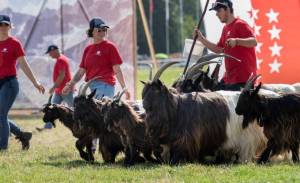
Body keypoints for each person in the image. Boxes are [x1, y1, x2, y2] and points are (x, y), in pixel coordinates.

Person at [62, 17, 130, 152]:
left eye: (104, 29)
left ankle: (102, 146)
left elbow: (117, 69)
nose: (102, 32)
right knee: (95, 118)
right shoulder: (88, 49)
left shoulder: (110, 47)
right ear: (92, 31)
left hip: (105, 86)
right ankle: (97, 145)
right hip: (92, 87)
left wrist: (124, 87)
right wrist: (71, 84)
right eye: (99, 29)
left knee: (101, 118)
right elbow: (82, 70)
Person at [0, 14, 45, 150]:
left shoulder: (14, 43)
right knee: (0, 116)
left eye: (6, 24)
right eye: (0, 24)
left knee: (1, 114)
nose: (3, 27)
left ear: (10, 26)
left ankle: (2, 148)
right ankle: (22, 135)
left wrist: (35, 82)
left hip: (9, 83)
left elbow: (24, 65)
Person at [194, 0, 258, 91]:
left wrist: (236, 41)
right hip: (230, 78)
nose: (216, 14)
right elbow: (218, 49)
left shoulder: (240, 24)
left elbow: (253, 42)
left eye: (219, 11)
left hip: (243, 79)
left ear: (227, 9)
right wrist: (201, 39)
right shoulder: (225, 28)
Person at [36, 45, 73, 131]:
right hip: (59, 90)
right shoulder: (61, 59)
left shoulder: (61, 60)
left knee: (73, 108)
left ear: (54, 51)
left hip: (65, 90)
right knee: (51, 109)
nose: (49, 55)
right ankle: (47, 127)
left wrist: (53, 87)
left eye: (50, 52)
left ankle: (81, 123)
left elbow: (62, 75)